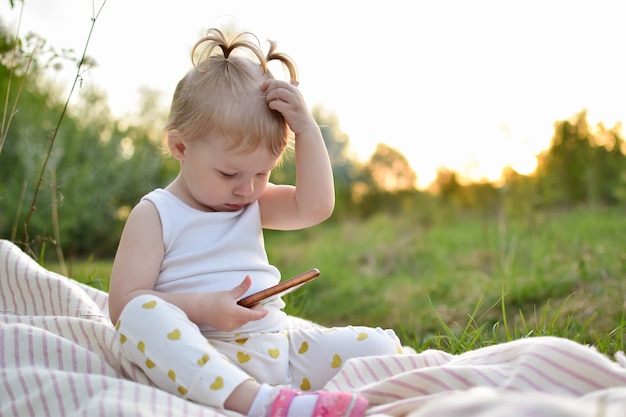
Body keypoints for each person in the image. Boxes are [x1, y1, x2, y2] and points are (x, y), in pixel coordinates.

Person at [108, 27, 402, 417]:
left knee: (380, 347)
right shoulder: (156, 214)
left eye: (262, 173)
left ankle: (281, 391)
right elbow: (123, 305)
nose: (246, 188)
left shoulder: (253, 202)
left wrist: (307, 130)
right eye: (229, 174)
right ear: (180, 147)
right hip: (203, 351)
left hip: (273, 346)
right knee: (142, 316)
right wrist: (202, 307)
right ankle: (260, 402)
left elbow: (315, 206)